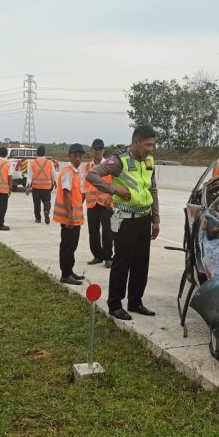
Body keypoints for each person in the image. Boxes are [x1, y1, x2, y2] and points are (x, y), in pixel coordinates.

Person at [86, 125, 160, 321]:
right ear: (135, 142)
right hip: (125, 221)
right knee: (122, 263)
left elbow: (152, 189)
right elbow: (92, 175)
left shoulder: (149, 161)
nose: (150, 149)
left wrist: (156, 219)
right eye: (147, 145)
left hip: (144, 220)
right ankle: (115, 304)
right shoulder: (119, 161)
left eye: (153, 145)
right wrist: (113, 190)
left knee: (141, 264)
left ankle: (135, 302)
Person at [54, 144, 87, 286]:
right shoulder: (68, 172)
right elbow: (67, 195)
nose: (78, 158)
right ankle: (65, 274)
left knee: (72, 246)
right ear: (69, 156)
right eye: (75, 155)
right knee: (67, 246)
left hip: (75, 218)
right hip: (69, 219)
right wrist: (70, 216)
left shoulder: (75, 172)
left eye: (80, 156)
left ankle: (69, 270)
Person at [82, 139, 113, 268]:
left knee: (107, 232)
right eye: (96, 149)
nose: (98, 151)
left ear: (103, 150)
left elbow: (115, 184)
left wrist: (111, 198)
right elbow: (84, 186)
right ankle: (97, 255)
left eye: (100, 149)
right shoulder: (87, 167)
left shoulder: (110, 165)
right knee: (93, 231)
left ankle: (108, 257)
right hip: (92, 204)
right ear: (92, 150)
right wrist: (81, 201)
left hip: (106, 204)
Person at [25, 145, 56, 224]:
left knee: (37, 203)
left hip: (36, 186)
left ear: (37, 153)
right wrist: (54, 182)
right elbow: (53, 174)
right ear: (44, 153)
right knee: (47, 201)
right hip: (47, 186)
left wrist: (28, 187)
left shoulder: (32, 163)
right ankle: (46, 211)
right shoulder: (50, 163)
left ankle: (38, 218)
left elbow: (30, 176)